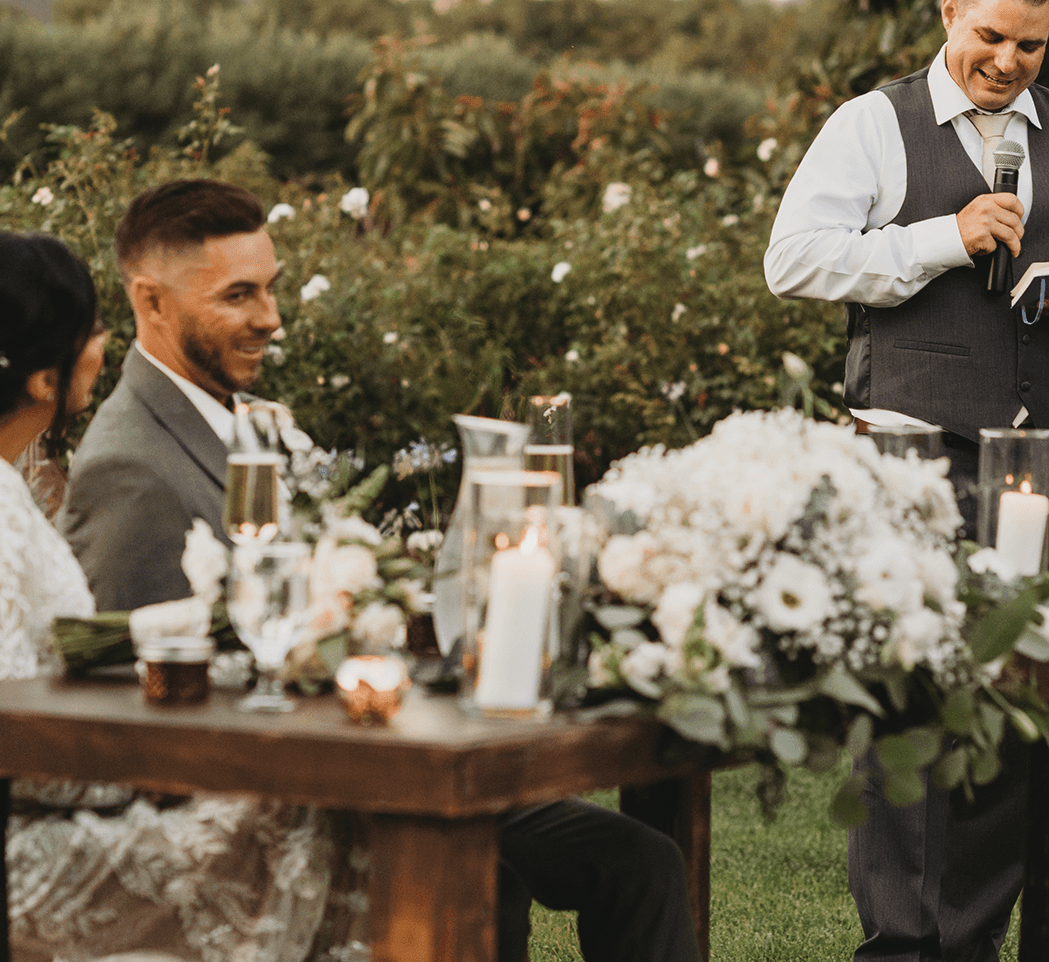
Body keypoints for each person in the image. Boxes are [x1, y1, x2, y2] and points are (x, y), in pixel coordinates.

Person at [59, 179, 701, 962]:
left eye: (271, 288)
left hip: (379, 747)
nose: (271, 317)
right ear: (151, 302)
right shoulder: (129, 468)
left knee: (638, 863)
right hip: (290, 799)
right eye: (238, 295)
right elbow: (136, 729)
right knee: (482, 881)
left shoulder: (241, 420)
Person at [764, 0, 1049, 962]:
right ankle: (900, 946)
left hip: (1043, 467)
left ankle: (971, 943)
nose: (1007, 60)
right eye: (990, 35)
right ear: (950, 12)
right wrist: (942, 237)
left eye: (1030, 45)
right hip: (906, 466)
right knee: (906, 715)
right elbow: (794, 259)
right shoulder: (872, 125)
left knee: (1010, 712)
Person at [0, 230, 349, 962]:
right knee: (304, 812)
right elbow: (0, 738)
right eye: (95, 327)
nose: (106, 345)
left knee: (281, 809)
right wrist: (161, 772)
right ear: (45, 378)